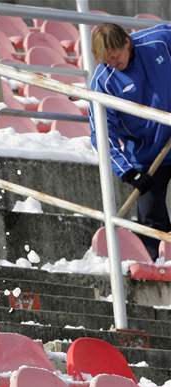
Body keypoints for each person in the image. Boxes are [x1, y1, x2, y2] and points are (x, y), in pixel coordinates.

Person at [89, 23, 171, 260]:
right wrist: (128, 172)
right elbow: (102, 134)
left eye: (115, 57)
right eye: (106, 61)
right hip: (148, 155)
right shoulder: (103, 82)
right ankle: (157, 264)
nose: (113, 64)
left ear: (127, 42)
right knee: (150, 220)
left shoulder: (160, 40)